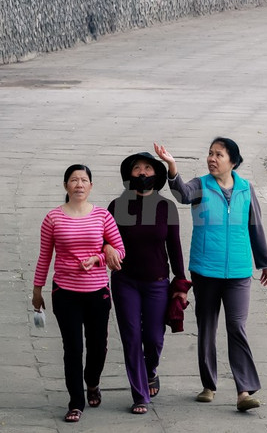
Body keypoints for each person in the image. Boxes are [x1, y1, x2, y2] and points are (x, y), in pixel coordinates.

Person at [153, 138, 267, 413]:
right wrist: (171, 165)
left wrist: (264, 262)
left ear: (233, 161)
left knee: (237, 327)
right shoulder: (201, 185)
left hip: (239, 272)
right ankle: (209, 385)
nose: (212, 158)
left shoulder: (246, 189)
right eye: (210, 153)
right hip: (206, 269)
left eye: (219, 154)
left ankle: (244, 391)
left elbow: (255, 225)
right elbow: (182, 194)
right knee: (207, 327)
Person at [32, 164, 125, 423]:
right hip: (65, 293)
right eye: (74, 180)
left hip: (97, 293)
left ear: (91, 186)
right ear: (66, 186)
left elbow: (120, 250)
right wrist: (37, 290)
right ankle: (75, 402)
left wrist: (98, 258)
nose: (79, 185)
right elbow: (44, 257)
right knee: (72, 348)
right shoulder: (53, 218)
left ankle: (92, 382)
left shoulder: (103, 216)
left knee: (98, 347)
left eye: (84, 180)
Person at [105, 152, 188, 415]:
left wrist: (181, 284)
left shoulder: (166, 207)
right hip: (125, 281)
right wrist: (107, 247)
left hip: (157, 283)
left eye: (148, 168)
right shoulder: (117, 206)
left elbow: (174, 247)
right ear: (129, 174)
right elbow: (103, 238)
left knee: (153, 338)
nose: (142, 172)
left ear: (156, 174)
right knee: (131, 338)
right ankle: (140, 394)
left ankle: (150, 370)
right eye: (137, 168)